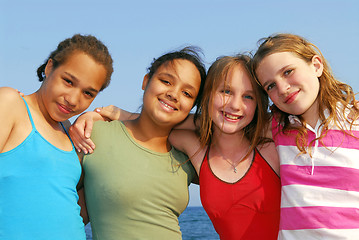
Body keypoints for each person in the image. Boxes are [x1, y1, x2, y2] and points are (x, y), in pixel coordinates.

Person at [71, 54, 281, 240]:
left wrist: (122, 113)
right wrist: (103, 116)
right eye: (226, 91)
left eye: (248, 96)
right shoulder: (190, 147)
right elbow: (163, 120)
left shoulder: (272, 141)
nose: (235, 104)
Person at [75, 47, 207, 240]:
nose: (174, 94)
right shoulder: (94, 134)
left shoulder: (187, 153)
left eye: (187, 93)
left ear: (192, 106)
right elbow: (65, 210)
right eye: (166, 81)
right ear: (146, 81)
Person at [0, 34, 113, 240]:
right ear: (50, 68)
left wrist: (95, 116)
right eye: (68, 81)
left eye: (88, 93)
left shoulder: (71, 132)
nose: (72, 99)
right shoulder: (10, 103)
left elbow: (71, 207)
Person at [252, 33, 359, 239]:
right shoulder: (276, 127)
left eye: (288, 71)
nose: (282, 88)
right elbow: (205, 123)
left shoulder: (355, 120)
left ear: (316, 65)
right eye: (270, 86)